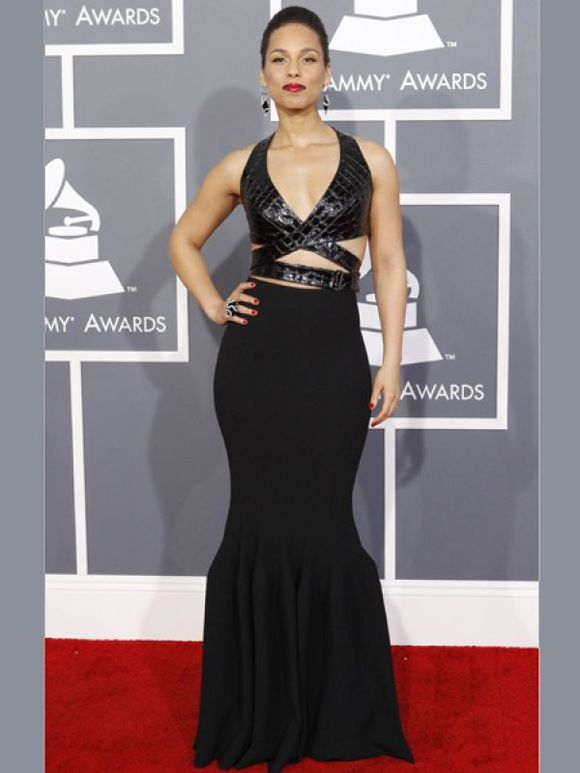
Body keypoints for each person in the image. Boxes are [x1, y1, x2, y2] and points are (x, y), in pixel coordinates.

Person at [167, 6, 414, 772]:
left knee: (325, 523)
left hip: (333, 356)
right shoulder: (238, 165)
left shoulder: (371, 160)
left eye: (308, 57)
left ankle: (335, 710)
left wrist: (392, 359)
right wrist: (215, 303)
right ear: (264, 75)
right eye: (280, 58)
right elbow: (183, 240)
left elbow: (391, 263)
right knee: (258, 520)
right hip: (256, 364)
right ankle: (260, 707)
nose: (295, 70)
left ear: (327, 72)